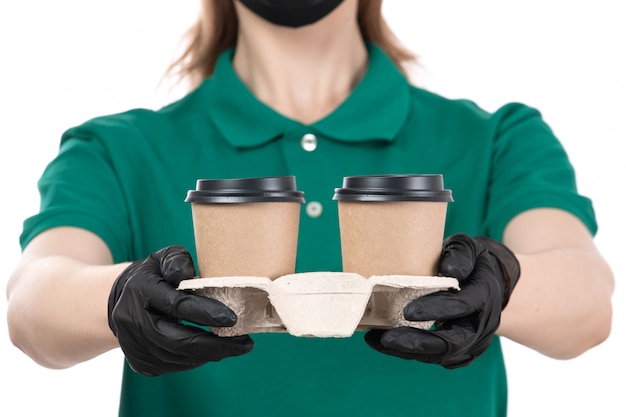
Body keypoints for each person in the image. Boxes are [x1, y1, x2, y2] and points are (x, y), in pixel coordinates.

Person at [6, 0, 614, 416]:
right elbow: (32, 304)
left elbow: (587, 301)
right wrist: (117, 297)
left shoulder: (497, 137)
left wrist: (502, 283)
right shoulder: (116, 149)